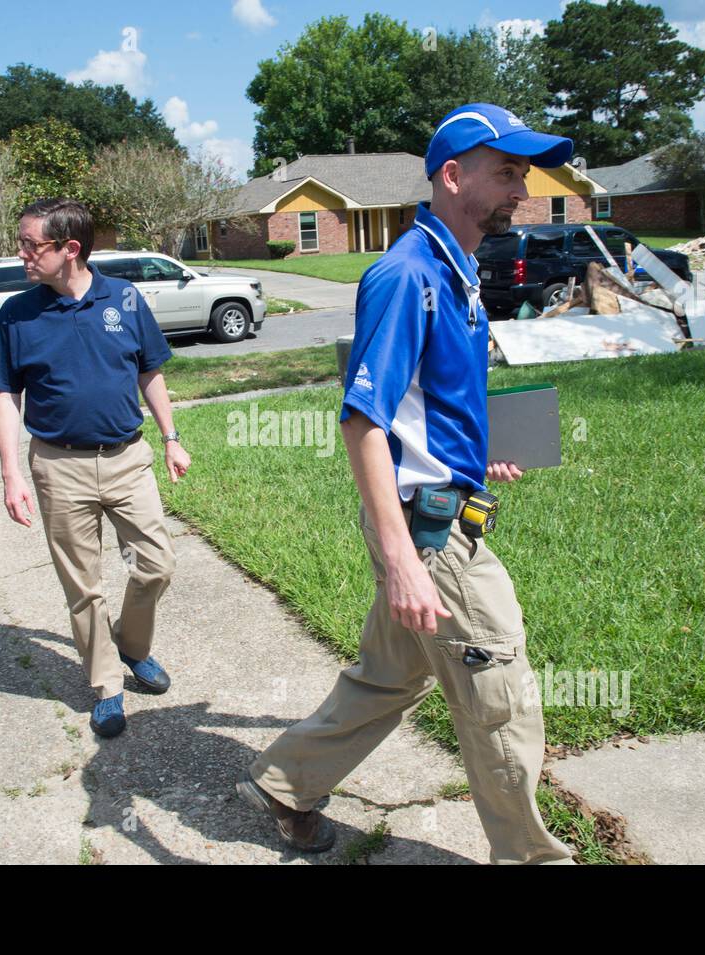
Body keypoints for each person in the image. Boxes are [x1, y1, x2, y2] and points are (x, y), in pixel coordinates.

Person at [236, 104, 578, 864]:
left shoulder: (455, 269)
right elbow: (362, 421)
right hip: (429, 532)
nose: (520, 188)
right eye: (506, 171)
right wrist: (400, 560)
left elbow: (423, 408)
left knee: (392, 677)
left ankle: (289, 781)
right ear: (452, 175)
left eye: (523, 173)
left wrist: (475, 451)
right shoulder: (405, 275)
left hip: (440, 501)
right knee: (501, 699)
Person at [0, 197, 190, 739]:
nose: (22, 254)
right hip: (58, 466)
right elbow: (5, 396)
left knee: (157, 565)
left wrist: (171, 437)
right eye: (22, 243)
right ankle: (107, 687)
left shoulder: (124, 298)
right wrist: (11, 474)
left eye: (31, 245)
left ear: (70, 249)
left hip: (127, 460)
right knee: (83, 585)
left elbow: (149, 372)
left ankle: (132, 646)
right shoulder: (17, 314)